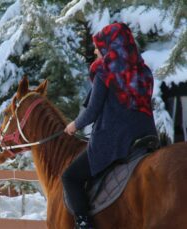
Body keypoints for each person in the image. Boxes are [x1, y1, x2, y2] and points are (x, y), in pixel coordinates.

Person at [62, 22, 158, 229]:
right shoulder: (145, 72)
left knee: (70, 177)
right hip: (145, 138)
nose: (96, 50)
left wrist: (73, 125)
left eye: (99, 45)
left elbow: (92, 111)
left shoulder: (105, 72)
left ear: (110, 46)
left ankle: (83, 222)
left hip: (115, 140)